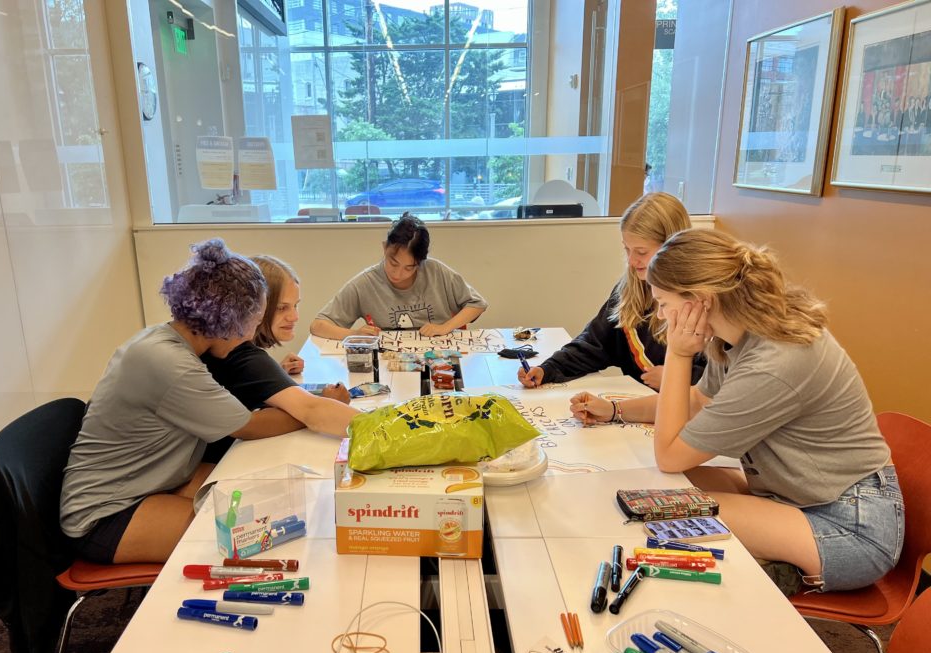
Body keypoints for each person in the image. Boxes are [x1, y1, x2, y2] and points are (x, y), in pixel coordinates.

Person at [569, 229, 903, 594]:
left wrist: (679, 354)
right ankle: (764, 566)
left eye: (664, 303)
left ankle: (769, 582)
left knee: (670, 511)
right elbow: (696, 402)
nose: (661, 316)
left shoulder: (774, 361)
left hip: (850, 523)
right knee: (654, 493)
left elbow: (670, 455)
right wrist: (616, 409)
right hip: (797, 492)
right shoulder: (740, 333)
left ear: (700, 300)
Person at [59, 240, 353, 565]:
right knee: (260, 531)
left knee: (269, 498)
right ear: (228, 319)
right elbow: (249, 426)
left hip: (152, 479)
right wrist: (310, 412)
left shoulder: (163, 341)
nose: (249, 337)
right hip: (105, 513)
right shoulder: (171, 363)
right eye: (252, 325)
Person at [518, 192, 704, 391]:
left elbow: (722, 379)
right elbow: (593, 344)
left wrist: (679, 376)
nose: (632, 261)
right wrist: (549, 369)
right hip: (638, 409)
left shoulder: (702, 301)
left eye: (641, 252)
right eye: (627, 249)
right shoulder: (629, 291)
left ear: (672, 247)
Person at [204, 253, 356, 444]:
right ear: (255, 307)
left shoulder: (231, 346)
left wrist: (275, 372)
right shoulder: (243, 356)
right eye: (282, 308)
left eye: (295, 306)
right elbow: (311, 411)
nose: (294, 317)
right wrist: (331, 404)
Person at [310, 212, 487, 339]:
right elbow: (318, 326)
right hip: (390, 362)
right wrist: (355, 334)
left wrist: (444, 327)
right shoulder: (366, 283)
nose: (398, 274)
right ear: (384, 247)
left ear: (420, 262)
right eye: (392, 263)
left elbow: (477, 303)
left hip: (440, 359)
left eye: (409, 268)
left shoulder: (435, 271)